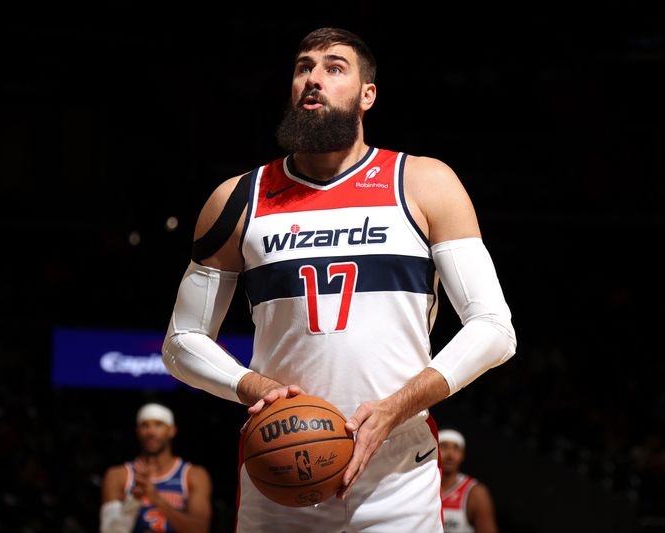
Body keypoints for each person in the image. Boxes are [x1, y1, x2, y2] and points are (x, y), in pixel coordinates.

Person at [161, 27, 517, 532]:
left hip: (399, 476)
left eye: (334, 67)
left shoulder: (423, 182)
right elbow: (181, 343)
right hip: (280, 470)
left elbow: (494, 328)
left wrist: (396, 408)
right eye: (304, 67)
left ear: (367, 94)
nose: (313, 79)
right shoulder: (239, 198)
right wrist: (254, 386)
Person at [99, 403, 212, 533]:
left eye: (158, 424)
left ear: (172, 430)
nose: (151, 432)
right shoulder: (118, 475)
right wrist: (134, 500)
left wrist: (155, 498)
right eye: (144, 425)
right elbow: (109, 530)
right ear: (137, 431)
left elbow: (200, 529)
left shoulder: (193, 475)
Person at [439, 428, 499, 533]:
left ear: (462, 455)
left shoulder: (476, 492)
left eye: (456, 448)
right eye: (444, 446)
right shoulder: (421, 486)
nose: (450, 454)